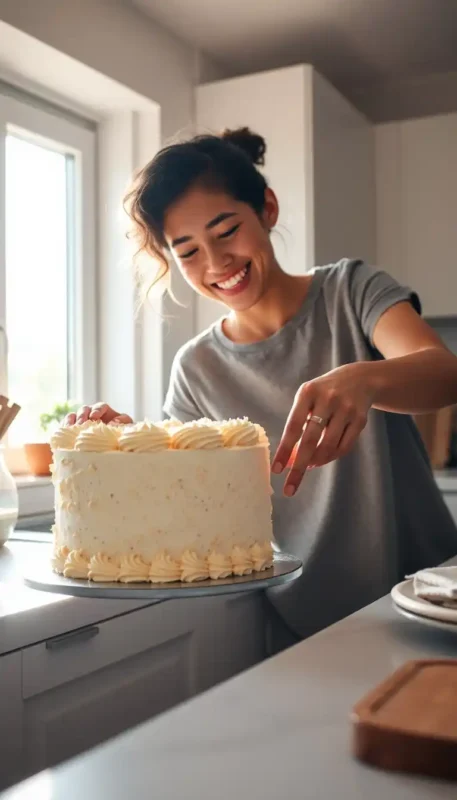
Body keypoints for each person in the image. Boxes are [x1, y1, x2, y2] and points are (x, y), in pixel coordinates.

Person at [68, 127, 457, 647]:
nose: (215, 263)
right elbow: (188, 496)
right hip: (297, 615)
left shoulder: (350, 291)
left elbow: (442, 371)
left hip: (424, 599)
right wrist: (123, 445)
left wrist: (364, 380)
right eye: (187, 252)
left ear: (267, 209)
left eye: (226, 230)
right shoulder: (196, 367)